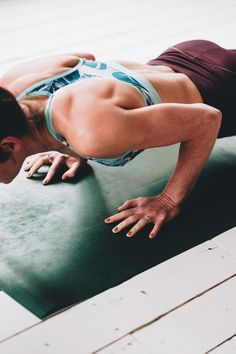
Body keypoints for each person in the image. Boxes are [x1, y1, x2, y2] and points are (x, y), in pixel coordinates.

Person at [0, 40, 235, 239]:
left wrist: (168, 201)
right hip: (183, 55)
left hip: (223, 90)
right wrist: (65, 145)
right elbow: (85, 59)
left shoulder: (90, 134)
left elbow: (207, 120)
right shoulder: (13, 85)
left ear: (10, 145)